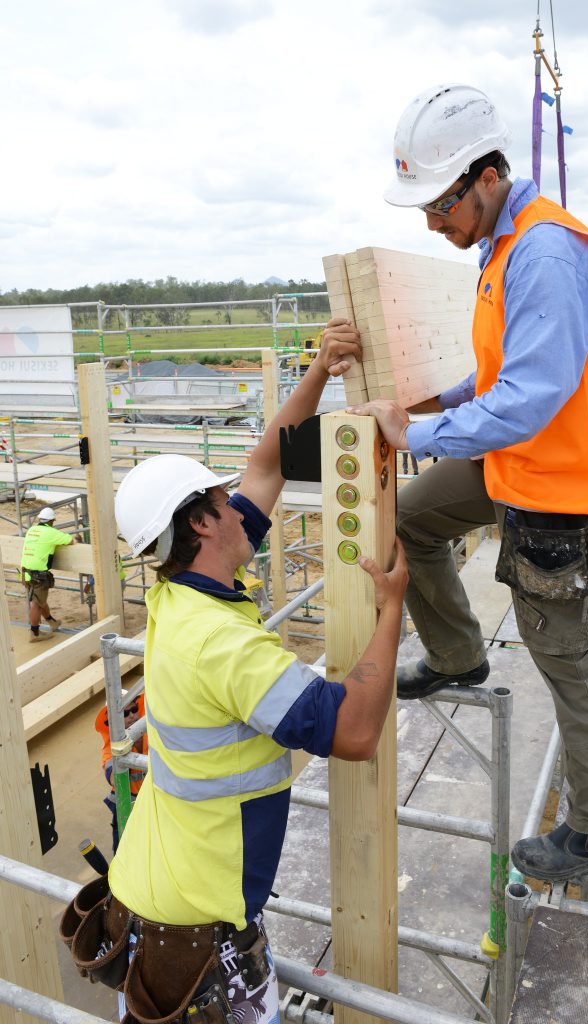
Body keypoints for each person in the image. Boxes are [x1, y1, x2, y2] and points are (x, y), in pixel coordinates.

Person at [347, 84, 588, 883]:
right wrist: (428, 401)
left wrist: (418, 434)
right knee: (410, 518)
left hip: (560, 482)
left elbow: (530, 398)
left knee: (563, 657)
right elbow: (495, 375)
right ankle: (456, 653)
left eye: (439, 204)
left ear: (484, 177)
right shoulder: (500, 246)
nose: (431, 222)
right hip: (525, 459)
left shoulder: (543, 252)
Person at [91, 320, 407, 1024]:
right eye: (220, 498)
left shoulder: (178, 594)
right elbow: (354, 731)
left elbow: (268, 464)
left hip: (152, 894)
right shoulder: (222, 647)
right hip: (194, 929)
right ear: (204, 524)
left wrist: (322, 368)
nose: (240, 503)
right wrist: (390, 612)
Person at [94, 690, 148, 852]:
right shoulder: (110, 750)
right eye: (125, 713)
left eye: (134, 709)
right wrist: (124, 754)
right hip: (126, 806)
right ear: (112, 722)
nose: (132, 715)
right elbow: (113, 777)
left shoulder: (150, 733)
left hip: (151, 798)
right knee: (123, 850)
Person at [20, 506, 77, 642]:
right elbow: (70, 540)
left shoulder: (31, 530)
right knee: (37, 604)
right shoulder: (51, 532)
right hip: (38, 574)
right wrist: (78, 539)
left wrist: (23, 574)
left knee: (40, 599)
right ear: (51, 521)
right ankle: (35, 633)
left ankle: (51, 622)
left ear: (40, 519)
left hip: (26, 572)